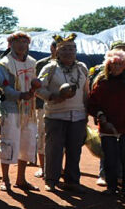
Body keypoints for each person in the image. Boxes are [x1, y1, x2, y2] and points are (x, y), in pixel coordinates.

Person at [36, 35, 90, 192]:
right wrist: (53, 97)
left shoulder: (82, 68)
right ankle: (51, 180)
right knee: (54, 148)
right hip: (55, 115)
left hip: (78, 115)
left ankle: (72, 181)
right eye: (64, 49)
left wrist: (86, 112)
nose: (68, 52)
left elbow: (86, 91)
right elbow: (38, 89)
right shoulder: (49, 68)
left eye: (71, 49)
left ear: (76, 51)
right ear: (57, 52)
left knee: (75, 149)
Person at [0, 31, 39, 192]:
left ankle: (21, 179)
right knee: (8, 142)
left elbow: (37, 85)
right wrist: (21, 95)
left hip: (29, 110)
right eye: (18, 42)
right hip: (11, 109)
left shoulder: (32, 63)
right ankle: (5, 179)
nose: (22, 45)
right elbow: (4, 87)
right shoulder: (4, 64)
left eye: (25, 42)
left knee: (27, 143)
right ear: (10, 45)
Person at [88, 49, 125, 195]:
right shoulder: (102, 83)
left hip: (124, 128)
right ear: (108, 65)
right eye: (113, 64)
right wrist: (102, 118)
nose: (116, 67)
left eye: (120, 64)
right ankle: (111, 187)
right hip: (107, 128)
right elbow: (92, 104)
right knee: (110, 159)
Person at [33, 40, 58, 179]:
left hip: (62, 109)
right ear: (52, 48)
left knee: (60, 140)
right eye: (59, 48)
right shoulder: (41, 64)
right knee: (42, 136)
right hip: (43, 106)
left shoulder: (73, 65)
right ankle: (43, 168)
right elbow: (36, 86)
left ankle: (58, 168)